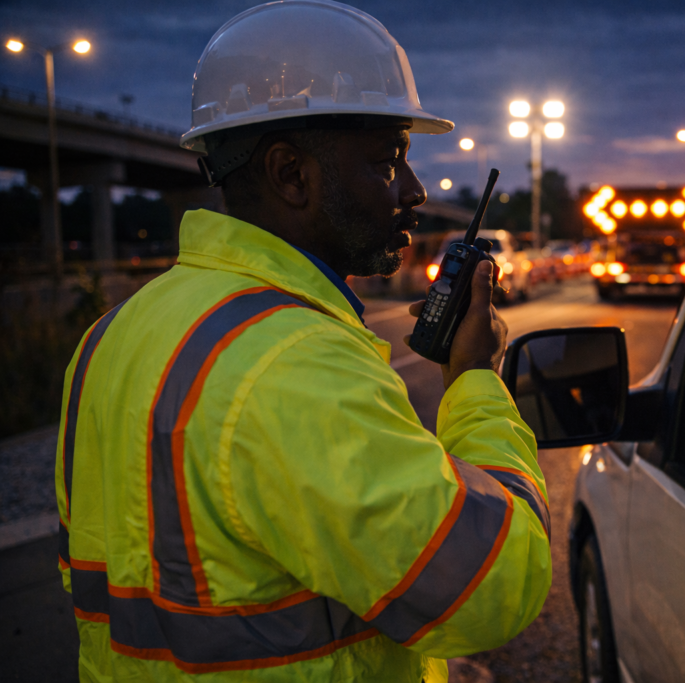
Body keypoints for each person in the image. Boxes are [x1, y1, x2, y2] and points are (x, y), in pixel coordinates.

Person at [54, 3, 551, 681]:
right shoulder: (295, 362)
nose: (416, 189)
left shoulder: (111, 335)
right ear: (291, 174)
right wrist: (475, 382)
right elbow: (494, 585)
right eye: (386, 163)